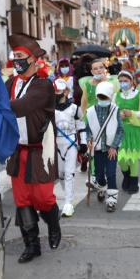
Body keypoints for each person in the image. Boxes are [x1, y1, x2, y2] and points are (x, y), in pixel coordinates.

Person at [5, 33, 61, 263]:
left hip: (40, 150)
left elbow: (21, 106)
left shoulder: (43, 86)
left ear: (33, 59)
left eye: (20, 56)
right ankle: (32, 244)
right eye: (14, 55)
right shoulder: (10, 83)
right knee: (22, 199)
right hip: (17, 149)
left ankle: (54, 224)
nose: (16, 60)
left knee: (44, 197)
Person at [86, 81, 124, 212]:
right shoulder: (90, 111)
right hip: (97, 148)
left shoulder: (115, 109)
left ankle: (112, 200)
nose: (102, 99)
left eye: (105, 97)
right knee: (99, 174)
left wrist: (114, 146)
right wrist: (89, 140)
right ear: (97, 96)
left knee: (111, 173)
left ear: (110, 96)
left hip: (111, 148)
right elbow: (88, 129)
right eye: (100, 97)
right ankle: (102, 187)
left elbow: (120, 129)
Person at [54, 79, 86, 217]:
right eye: (55, 92)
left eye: (60, 91)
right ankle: (67, 194)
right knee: (61, 174)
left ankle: (68, 202)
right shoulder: (49, 108)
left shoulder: (75, 108)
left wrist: (83, 142)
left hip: (71, 143)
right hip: (56, 144)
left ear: (66, 92)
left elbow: (81, 126)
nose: (57, 94)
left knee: (69, 173)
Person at [115, 70, 140, 194]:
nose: (123, 83)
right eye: (121, 81)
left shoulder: (139, 95)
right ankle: (126, 176)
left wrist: (133, 113)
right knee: (121, 159)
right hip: (120, 131)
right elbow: (112, 111)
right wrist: (118, 114)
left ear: (132, 81)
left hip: (135, 130)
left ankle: (134, 182)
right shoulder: (116, 95)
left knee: (133, 157)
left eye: (125, 81)